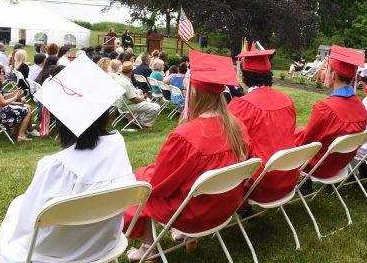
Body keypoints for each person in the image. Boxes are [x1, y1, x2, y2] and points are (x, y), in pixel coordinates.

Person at [0, 55, 135, 263]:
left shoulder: (56, 166)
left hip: (57, 253)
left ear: (61, 122)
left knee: (18, 206)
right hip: (105, 243)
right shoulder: (117, 146)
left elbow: (31, 221)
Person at [122, 50, 249, 261]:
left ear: (193, 93)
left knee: (141, 182)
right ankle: (188, 238)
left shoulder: (186, 136)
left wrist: (146, 174)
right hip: (225, 206)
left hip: (193, 214)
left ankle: (148, 248)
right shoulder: (239, 127)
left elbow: (160, 185)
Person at [295, 45, 367, 191]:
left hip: (319, 167)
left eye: (327, 71)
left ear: (333, 75)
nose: (324, 75)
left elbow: (307, 143)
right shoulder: (361, 107)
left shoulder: (325, 108)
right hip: (340, 165)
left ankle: (303, 182)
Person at [229, 49, 297, 205]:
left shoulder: (240, 106)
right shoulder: (287, 101)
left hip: (259, 183)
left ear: (244, 78)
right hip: (288, 176)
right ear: (269, 76)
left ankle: (243, 206)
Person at [0, 65, 32, 141]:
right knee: (27, 109)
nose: (3, 74)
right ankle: (21, 135)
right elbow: (2, 103)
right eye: (1, 72)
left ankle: (16, 132)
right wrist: (15, 97)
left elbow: (2, 97)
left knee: (26, 106)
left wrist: (14, 93)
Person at [116, 62, 159, 128]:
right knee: (156, 107)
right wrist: (143, 98)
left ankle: (138, 120)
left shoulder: (119, 78)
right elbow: (134, 100)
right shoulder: (125, 82)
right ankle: (144, 124)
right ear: (131, 71)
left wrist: (141, 96)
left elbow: (131, 96)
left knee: (144, 97)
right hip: (128, 106)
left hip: (121, 104)